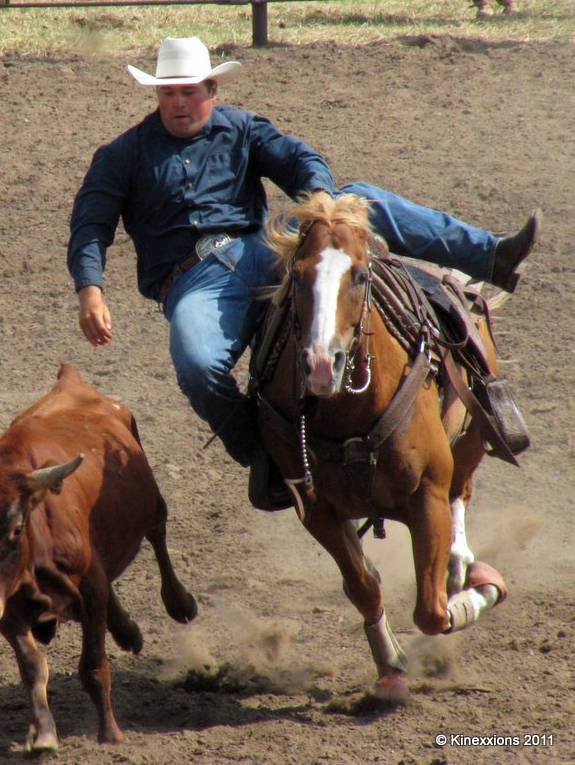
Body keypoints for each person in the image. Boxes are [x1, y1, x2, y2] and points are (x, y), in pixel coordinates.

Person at [67, 37, 538, 505]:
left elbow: (299, 159)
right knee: (196, 365)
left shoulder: (243, 129)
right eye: (169, 93)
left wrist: (322, 202)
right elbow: (90, 224)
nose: (178, 103)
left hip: (263, 249)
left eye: (189, 91)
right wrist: (91, 289)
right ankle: (265, 455)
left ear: (212, 89)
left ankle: (489, 259)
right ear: (157, 96)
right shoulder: (122, 155)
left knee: (359, 198)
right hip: (195, 281)